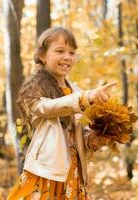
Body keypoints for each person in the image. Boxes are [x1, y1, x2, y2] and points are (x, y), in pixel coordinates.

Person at [7, 26, 116, 200]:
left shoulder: (76, 90)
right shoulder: (36, 87)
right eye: (60, 51)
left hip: (72, 171)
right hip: (47, 170)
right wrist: (84, 98)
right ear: (42, 56)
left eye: (72, 53)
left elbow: (77, 132)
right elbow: (47, 108)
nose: (67, 57)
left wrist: (93, 137)